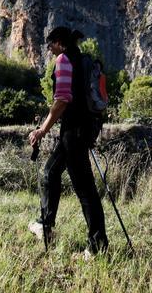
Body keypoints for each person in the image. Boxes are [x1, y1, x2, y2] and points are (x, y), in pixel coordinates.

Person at [28, 26, 108, 256]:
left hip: (73, 132)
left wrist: (42, 130)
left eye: (50, 44)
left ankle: (97, 245)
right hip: (82, 129)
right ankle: (46, 225)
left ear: (59, 42)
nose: (49, 49)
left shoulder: (63, 60)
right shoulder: (84, 60)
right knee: (50, 172)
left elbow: (62, 100)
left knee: (84, 189)